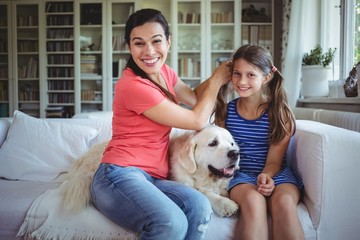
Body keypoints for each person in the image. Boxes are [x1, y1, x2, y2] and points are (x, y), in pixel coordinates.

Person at [90, 8, 231, 240]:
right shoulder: (133, 85)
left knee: (199, 206)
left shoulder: (164, 72)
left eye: (156, 41)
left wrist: (220, 75)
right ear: (128, 47)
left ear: (168, 42)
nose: (149, 51)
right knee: (170, 222)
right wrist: (216, 80)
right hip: (117, 176)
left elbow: (195, 98)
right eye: (139, 43)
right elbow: (197, 119)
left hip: (153, 177)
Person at [212, 45, 304, 240]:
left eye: (250, 75)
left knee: (285, 203)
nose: (242, 81)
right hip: (240, 176)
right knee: (254, 201)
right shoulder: (226, 112)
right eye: (237, 74)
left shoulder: (280, 114)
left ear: (266, 78)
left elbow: (274, 161)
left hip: (276, 173)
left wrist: (267, 176)